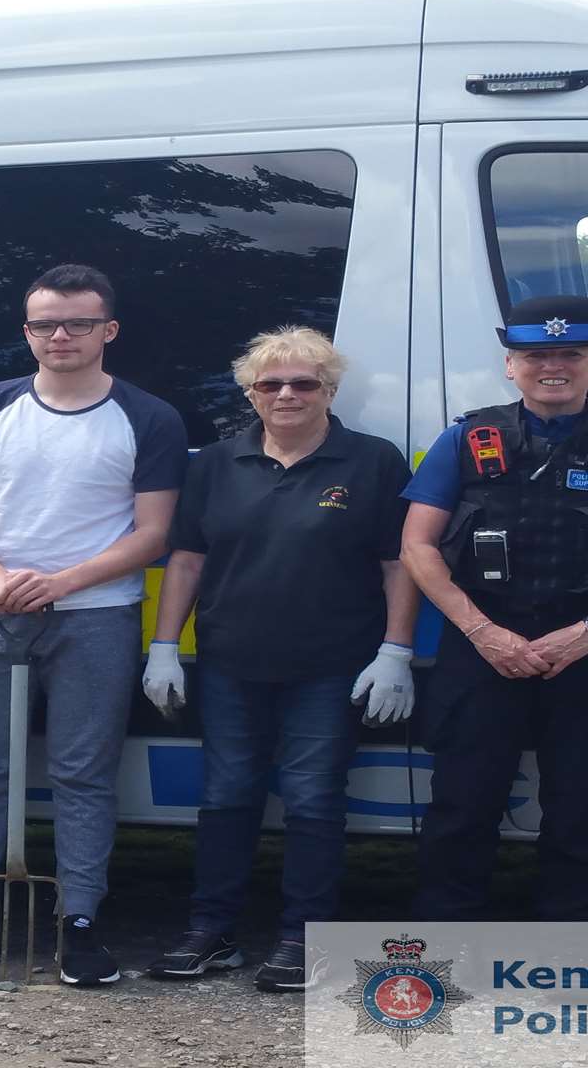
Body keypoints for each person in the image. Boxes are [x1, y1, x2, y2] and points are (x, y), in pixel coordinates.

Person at [0, 264, 186, 985]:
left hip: (95, 617)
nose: (61, 336)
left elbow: (153, 534)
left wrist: (62, 582)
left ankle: (79, 919)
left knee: (84, 774)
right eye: (44, 324)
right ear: (27, 331)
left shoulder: (150, 416)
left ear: (108, 331)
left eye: (79, 323)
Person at [140, 327, 416, 992]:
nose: (286, 394)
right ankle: (213, 931)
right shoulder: (214, 463)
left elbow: (397, 562)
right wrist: (164, 646)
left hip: (332, 665)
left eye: (303, 383)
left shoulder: (373, 462)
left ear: (330, 391)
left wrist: (396, 651)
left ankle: (302, 938)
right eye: (271, 384)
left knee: (315, 802)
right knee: (226, 797)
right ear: (251, 394)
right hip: (232, 661)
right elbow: (187, 558)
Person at [401, 295, 588, 922]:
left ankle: (567, 955)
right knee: (462, 803)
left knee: (581, 810)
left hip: (583, 647)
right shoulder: (468, 438)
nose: (553, 366)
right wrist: (484, 633)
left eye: (571, 353)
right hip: (483, 644)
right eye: (537, 355)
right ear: (511, 365)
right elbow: (417, 546)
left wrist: (579, 638)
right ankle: (449, 950)